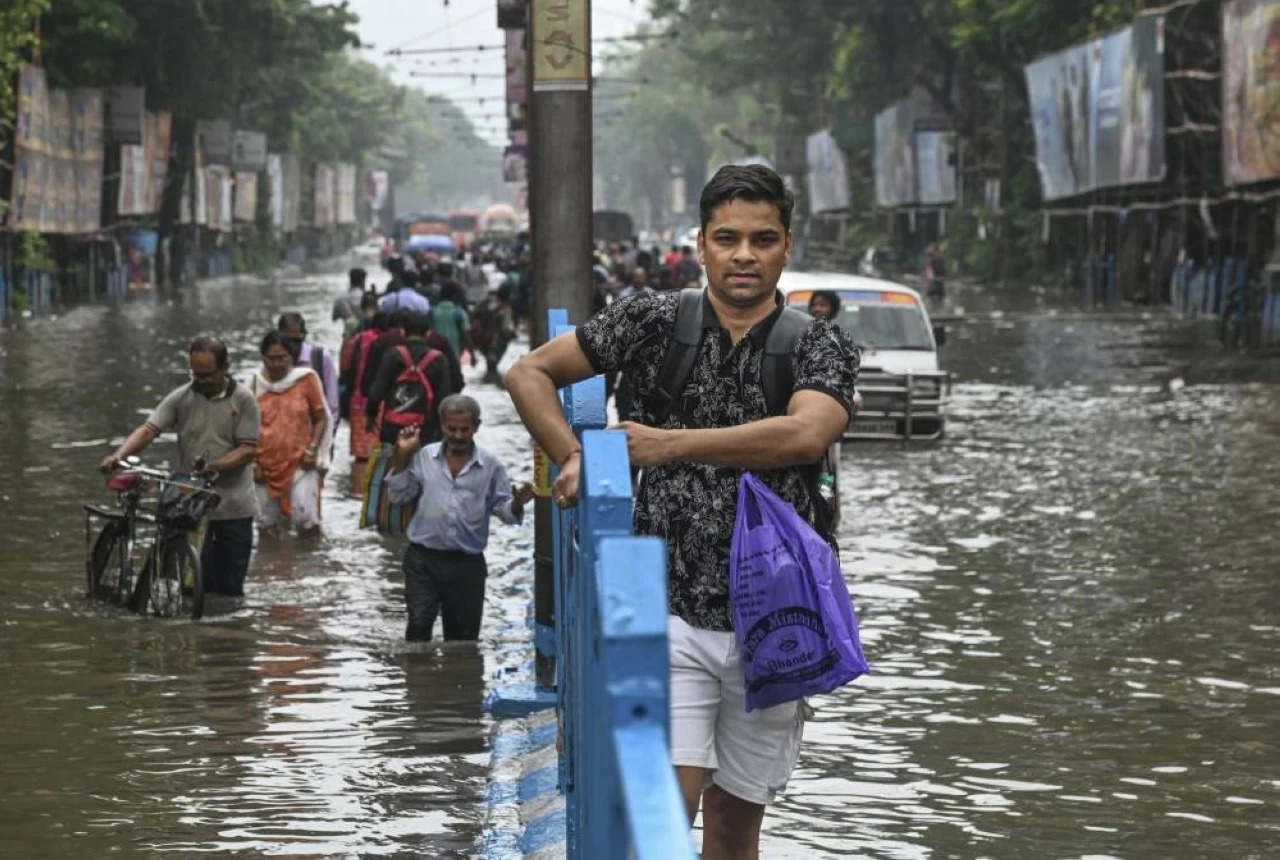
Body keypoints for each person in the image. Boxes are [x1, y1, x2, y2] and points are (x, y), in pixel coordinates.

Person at [506, 164, 859, 859]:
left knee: (735, 828)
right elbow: (529, 372)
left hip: (778, 617)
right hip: (664, 607)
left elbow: (807, 434)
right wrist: (572, 455)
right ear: (701, 244)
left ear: (787, 246)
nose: (744, 256)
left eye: (762, 239)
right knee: (665, 811)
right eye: (727, 238)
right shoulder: (652, 320)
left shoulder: (819, 342)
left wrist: (665, 446)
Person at [97, 336, 260, 597]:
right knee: (189, 586)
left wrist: (214, 466)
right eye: (196, 374)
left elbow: (248, 449)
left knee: (229, 590)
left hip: (233, 509)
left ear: (225, 368)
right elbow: (149, 430)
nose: (202, 380)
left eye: (208, 374)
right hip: (189, 505)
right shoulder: (182, 397)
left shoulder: (243, 400)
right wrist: (118, 455)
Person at [383, 395, 535, 641]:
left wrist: (517, 503)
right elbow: (398, 496)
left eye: (465, 429)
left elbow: (503, 510)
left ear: (476, 427)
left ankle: (457, 678)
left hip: (467, 565)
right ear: (442, 425)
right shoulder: (423, 457)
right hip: (423, 560)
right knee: (419, 626)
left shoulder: (491, 466)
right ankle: (418, 677)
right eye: (452, 429)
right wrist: (401, 458)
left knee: (462, 640)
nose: (458, 435)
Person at [248, 332, 330, 537]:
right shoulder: (254, 385)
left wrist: (313, 450)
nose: (276, 364)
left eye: (282, 357)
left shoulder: (306, 379)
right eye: (271, 358)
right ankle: (270, 567)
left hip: (300, 461)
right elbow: (244, 427)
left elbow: (321, 417)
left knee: (305, 519)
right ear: (263, 358)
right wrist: (253, 464)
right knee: (266, 525)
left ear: (291, 357)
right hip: (264, 465)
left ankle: (310, 565)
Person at [365, 311, 455, 446]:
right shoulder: (439, 360)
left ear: (402, 332)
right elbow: (444, 397)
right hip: (426, 430)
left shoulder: (393, 355)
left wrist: (370, 416)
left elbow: (376, 393)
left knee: (391, 464)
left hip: (393, 428)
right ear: (428, 333)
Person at [342, 311, 390, 489]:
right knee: (383, 453)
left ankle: (357, 495)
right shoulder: (390, 343)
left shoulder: (360, 339)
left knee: (361, 455)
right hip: (384, 402)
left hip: (359, 400)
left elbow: (345, 364)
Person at [277, 313, 340, 429]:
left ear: (304, 336)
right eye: (287, 341)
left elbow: (332, 403)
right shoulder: (275, 363)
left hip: (317, 435)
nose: (292, 346)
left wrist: (328, 436)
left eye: (296, 341)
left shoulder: (320, 358)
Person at [431, 280, 472, 362]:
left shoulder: (432, 312)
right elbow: (466, 336)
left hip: (434, 356)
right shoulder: (459, 313)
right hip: (454, 355)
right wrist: (472, 354)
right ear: (455, 295)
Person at [332, 267, 367, 334]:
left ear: (350, 280)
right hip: (366, 337)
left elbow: (334, 318)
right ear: (363, 280)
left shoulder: (340, 299)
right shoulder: (368, 298)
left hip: (349, 336)